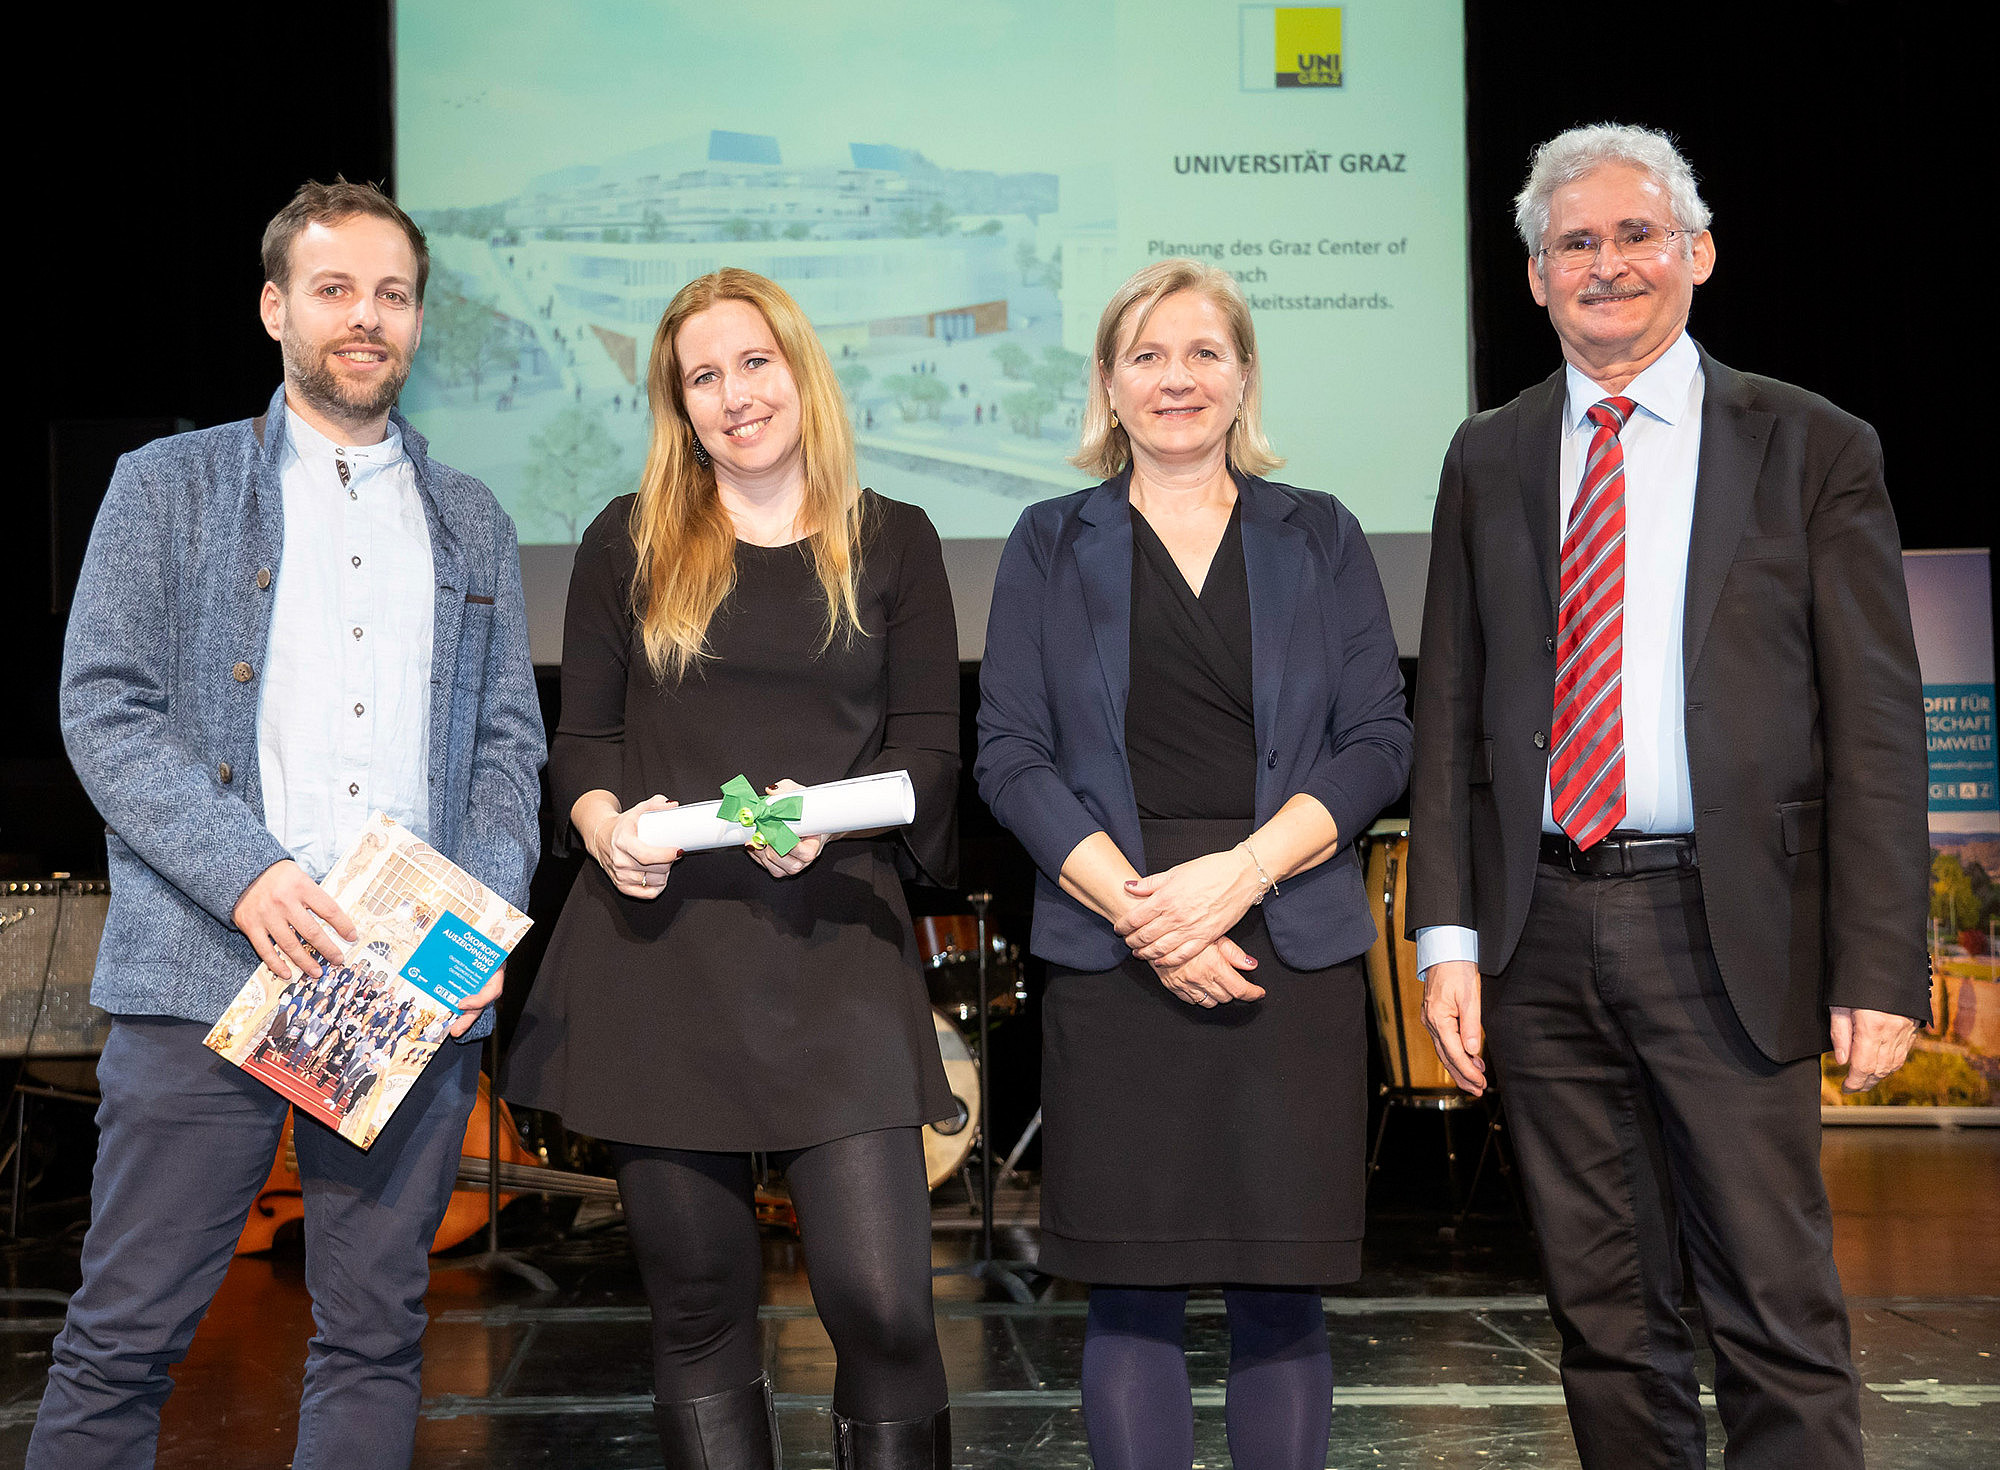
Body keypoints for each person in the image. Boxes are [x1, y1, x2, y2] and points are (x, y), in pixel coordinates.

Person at [1408, 124, 1929, 1470]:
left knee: (1774, 1311)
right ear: (1534, 277)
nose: (1608, 264)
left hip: (1728, 927)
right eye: (1574, 242)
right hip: (1538, 939)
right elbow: (1455, 708)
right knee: (1604, 1317)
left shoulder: (1813, 445)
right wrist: (1448, 933)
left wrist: (1881, 961)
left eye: (1637, 234)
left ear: (1697, 251)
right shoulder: (1489, 455)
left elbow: (1875, 724)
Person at [30, 178, 545, 1469]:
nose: (364, 318)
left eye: (391, 293)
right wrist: (245, 872)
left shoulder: (471, 514)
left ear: (418, 317)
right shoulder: (167, 486)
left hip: (399, 990)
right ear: (276, 308)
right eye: (334, 290)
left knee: (375, 1334)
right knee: (123, 1336)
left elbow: (503, 745)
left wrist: (461, 928)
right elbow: (105, 708)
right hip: (212, 971)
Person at [505, 267, 959, 1469]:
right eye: (702, 377)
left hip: (837, 953)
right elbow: (585, 742)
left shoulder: (894, 540)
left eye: (752, 364)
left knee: (881, 1305)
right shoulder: (627, 539)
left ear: (798, 370)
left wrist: (841, 822)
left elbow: (926, 751)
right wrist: (602, 824)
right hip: (663, 957)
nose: (733, 395)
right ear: (679, 405)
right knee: (698, 1304)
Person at [974, 258, 1412, 1468]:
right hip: (1112, 949)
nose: (1176, 377)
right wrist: (1143, 912)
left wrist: (1238, 878)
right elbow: (1007, 754)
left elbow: (1380, 740)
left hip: (1289, 943)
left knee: (1282, 1292)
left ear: (1243, 378)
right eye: (1147, 356)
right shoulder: (1046, 542)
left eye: (1203, 352)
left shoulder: (1316, 533)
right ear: (1108, 387)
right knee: (1130, 1290)